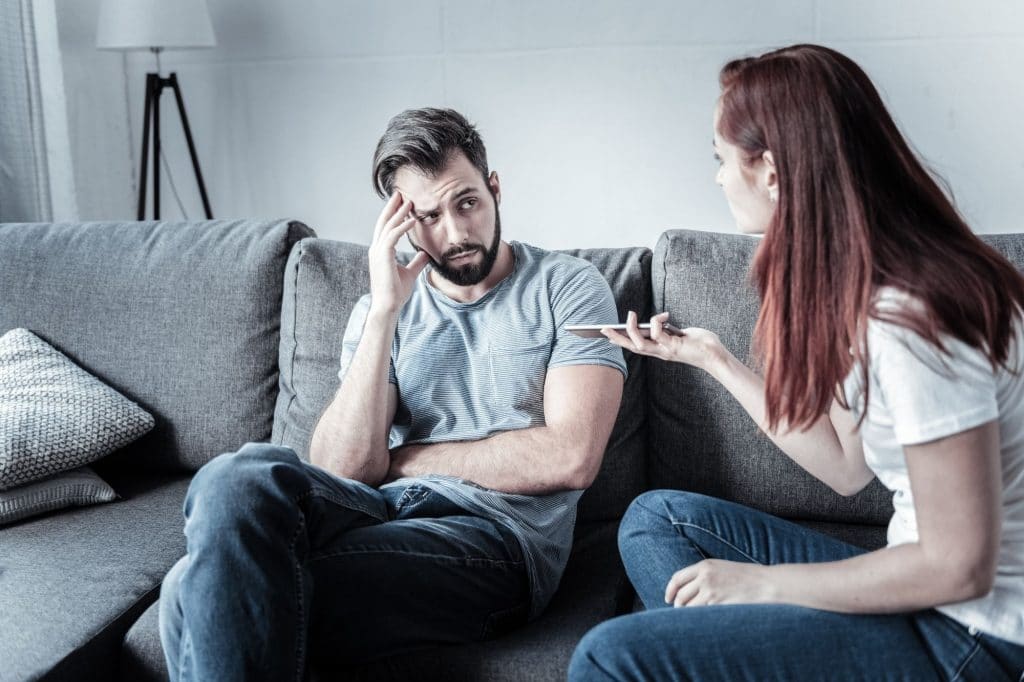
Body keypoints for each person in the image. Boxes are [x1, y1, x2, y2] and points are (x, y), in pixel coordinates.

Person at [569, 44, 1024, 680]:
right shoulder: (868, 286)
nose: (719, 177)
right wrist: (712, 358)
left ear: (775, 174)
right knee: (657, 516)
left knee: (610, 656)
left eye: (721, 159)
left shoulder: (921, 319)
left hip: (973, 636)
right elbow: (843, 466)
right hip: (932, 597)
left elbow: (958, 564)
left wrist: (766, 587)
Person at [158, 107, 626, 680]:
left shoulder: (567, 287)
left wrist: (406, 459)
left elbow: (572, 456)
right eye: (429, 216)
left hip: (498, 540)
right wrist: (384, 312)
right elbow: (343, 468)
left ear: (495, 188)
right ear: (401, 224)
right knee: (235, 477)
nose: (455, 233)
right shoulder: (381, 308)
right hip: (379, 511)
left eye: (468, 203)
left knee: (191, 591)